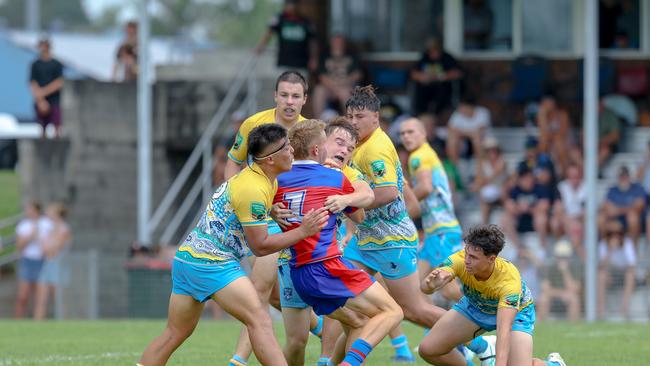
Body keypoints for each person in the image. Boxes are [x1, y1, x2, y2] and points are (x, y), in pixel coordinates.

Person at [138, 124, 329, 366]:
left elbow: (242, 206)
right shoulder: (254, 187)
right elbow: (260, 246)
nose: (292, 150)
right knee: (259, 319)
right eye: (286, 147)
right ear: (270, 159)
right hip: (212, 263)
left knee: (175, 333)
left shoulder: (263, 178)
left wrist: (271, 212)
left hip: (188, 259)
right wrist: (304, 231)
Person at [273, 119, 403, 366]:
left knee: (357, 321)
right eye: (338, 142)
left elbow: (361, 206)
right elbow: (364, 206)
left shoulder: (281, 176)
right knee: (392, 311)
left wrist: (344, 199)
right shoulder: (333, 176)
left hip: (299, 268)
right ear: (319, 147)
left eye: (350, 147)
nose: (345, 150)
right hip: (320, 266)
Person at [224, 71, 312, 366]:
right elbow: (233, 163)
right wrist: (235, 201)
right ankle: (238, 360)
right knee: (260, 289)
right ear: (275, 95)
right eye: (284, 95)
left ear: (305, 100)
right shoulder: (254, 124)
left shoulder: (310, 133)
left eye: (296, 96)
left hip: (298, 222)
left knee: (278, 295)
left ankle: (322, 328)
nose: (289, 102)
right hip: (264, 218)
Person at [343, 85, 445, 332]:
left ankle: (478, 341)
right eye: (350, 117)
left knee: (413, 310)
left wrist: (347, 203)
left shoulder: (375, 148)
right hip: (367, 236)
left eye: (360, 117)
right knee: (343, 295)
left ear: (376, 118)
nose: (353, 122)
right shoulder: (358, 145)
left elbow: (388, 192)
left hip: (391, 240)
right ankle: (331, 360)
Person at [419, 224, 566, 366]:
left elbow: (503, 329)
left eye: (474, 258)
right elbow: (429, 285)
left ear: (491, 259)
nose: (467, 261)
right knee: (428, 350)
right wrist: (431, 285)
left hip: (517, 314)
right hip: (476, 306)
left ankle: (554, 364)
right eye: (467, 254)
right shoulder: (461, 259)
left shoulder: (509, 281)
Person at [399, 118, 463, 300]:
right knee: (419, 287)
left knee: (448, 290)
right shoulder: (426, 153)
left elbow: (425, 187)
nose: (406, 136)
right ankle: (433, 328)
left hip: (441, 230)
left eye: (411, 132)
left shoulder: (418, 156)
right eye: (403, 133)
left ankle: (487, 318)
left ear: (423, 133)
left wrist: (401, 207)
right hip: (434, 232)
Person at [256, 0, 318, 75]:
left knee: (300, 85)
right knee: (282, 85)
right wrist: (260, 47)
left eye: (292, 5)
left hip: (301, 63)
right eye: (288, 5)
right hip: (283, 63)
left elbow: (313, 42)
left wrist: (314, 58)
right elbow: (268, 34)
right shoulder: (279, 19)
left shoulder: (306, 22)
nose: (290, 7)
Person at [14, 202, 52, 318]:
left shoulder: (47, 224)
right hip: (27, 260)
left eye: (30, 209)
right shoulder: (23, 225)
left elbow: (48, 245)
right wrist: (31, 234)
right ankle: (18, 321)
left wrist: (39, 236)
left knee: (39, 296)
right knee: (22, 296)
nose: (27, 212)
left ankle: (38, 322)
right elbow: (19, 246)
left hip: (42, 261)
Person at [33, 203, 71, 320]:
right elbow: (44, 250)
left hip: (59, 265)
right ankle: (36, 324)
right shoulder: (49, 230)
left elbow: (55, 249)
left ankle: (64, 324)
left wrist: (48, 246)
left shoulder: (64, 229)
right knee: (40, 299)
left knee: (58, 299)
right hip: (48, 264)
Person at [312, 34, 362, 118]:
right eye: (335, 41)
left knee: (345, 93)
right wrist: (335, 88)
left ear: (344, 43)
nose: (338, 44)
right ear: (331, 43)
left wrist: (344, 83)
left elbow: (357, 74)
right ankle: (317, 122)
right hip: (329, 87)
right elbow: (321, 76)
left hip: (346, 86)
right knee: (318, 90)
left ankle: (349, 122)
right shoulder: (324, 55)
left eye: (340, 42)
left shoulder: (351, 55)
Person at [410, 37, 463, 115]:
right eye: (431, 49)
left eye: (435, 49)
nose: (433, 52)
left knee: (442, 93)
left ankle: (438, 114)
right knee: (419, 92)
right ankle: (422, 115)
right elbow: (413, 73)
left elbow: (458, 73)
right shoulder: (425, 57)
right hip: (426, 87)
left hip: (443, 87)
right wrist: (422, 77)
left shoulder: (447, 58)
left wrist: (441, 76)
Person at [597, 220, 637, 320]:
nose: (615, 237)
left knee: (630, 274)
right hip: (610, 274)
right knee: (601, 274)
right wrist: (610, 250)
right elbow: (601, 265)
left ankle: (624, 308)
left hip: (624, 273)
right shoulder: (603, 244)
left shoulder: (627, 243)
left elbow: (632, 264)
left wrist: (620, 248)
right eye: (611, 234)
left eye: (617, 234)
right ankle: (601, 309)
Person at [597, 166, 646, 245]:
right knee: (601, 218)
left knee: (632, 217)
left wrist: (618, 210)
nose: (623, 178)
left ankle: (632, 248)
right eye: (621, 176)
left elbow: (640, 206)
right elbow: (606, 206)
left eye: (625, 176)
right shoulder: (613, 190)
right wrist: (627, 208)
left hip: (634, 222)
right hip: (616, 221)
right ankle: (605, 246)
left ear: (629, 177)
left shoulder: (637, 188)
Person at [29, 36, 64, 138]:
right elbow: (32, 82)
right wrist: (40, 100)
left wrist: (43, 93)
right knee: (42, 129)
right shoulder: (35, 64)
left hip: (54, 100)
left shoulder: (57, 64)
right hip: (40, 101)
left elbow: (59, 82)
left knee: (57, 127)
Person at [471, 136, 508, 224]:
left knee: (504, 191)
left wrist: (479, 184)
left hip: (501, 188)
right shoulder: (482, 163)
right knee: (483, 197)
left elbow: (491, 177)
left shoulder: (502, 161)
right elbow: (479, 179)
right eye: (490, 150)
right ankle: (484, 224)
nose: (492, 152)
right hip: (490, 189)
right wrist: (479, 183)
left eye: (494, 149)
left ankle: (507, 221)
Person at [446, 94, 491, 164]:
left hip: (483, 142)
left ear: (469, 107)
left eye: (462, 106)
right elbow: (451, 130)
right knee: (452, 140)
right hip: (464, 144)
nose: (460, 109)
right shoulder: (457, 114)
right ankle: (454, 168)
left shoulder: (483, 112)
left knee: (477, 140)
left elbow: (480, 131)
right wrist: (471, 134)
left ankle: (481, 167)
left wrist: (462, 133)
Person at [536, 94, 574, 175]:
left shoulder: (563, 114)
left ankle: (565, 174)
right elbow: (544, 134)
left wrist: (550, 135)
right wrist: (542, 116)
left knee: (558, 142)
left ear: (553, 103)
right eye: (544, 103)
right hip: (549, 145)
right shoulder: (542, 116)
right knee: (543, 141)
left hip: (565, 143)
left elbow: (562, 134)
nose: (546, 105)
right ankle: (542, 170)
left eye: (548, 102)